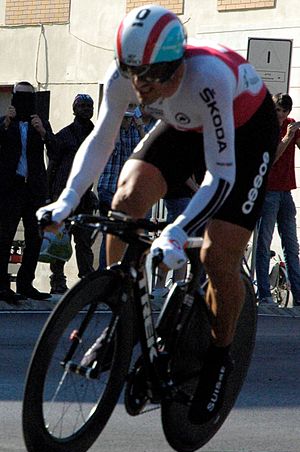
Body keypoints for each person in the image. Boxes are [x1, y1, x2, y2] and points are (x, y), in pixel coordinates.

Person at [37, 5, 279, 423]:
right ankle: (121, 308)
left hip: (245, 133)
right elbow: (101, 138)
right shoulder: (131, 76)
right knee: (126, 201)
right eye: (134, 73)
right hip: (185, 124)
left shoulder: (210, 77)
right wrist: (68, 198)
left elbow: (221, 175)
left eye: (152, 76)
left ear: (177, 64)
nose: (142, 87)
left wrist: (178, 229)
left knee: (216, 256)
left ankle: (220, 357)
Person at [0, 81, 54, 303]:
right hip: (10, 188)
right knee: (4, 237)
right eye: (19, 97)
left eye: (28, 97)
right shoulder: (5, 123)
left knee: (34, 238)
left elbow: (56, 149)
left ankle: (25, 283)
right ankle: (2, 285)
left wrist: (43, 132)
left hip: (34, 189)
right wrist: (6, 123)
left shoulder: (39, 123)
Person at [47, 94, 98, 293]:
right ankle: (57, 281)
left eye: (89, 106)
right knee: (61, 239)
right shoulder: (64, 135)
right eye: (82, 106)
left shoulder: (96, 134)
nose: (86, 109)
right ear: (74, 109)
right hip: (62, 195)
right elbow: (52, 165)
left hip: (85, 196)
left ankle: (86, 280)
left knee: (84, 241)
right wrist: (48, 195)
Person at [255, 93, 300, 306]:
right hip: (269, 191)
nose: (280, 115)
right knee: (263, 242)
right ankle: (264, 292)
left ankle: (298, 295)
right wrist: (286, 138)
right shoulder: (266, 127)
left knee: (291, 245)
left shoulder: (291, 126)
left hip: (286, 192)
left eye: (283, 111)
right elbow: (271, 159)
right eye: (277, 110)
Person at [97, 105, 144, 269]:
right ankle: (106, 271)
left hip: (126, 191)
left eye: (129, 117)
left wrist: (139, 125)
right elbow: (113, 148)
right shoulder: (110, 126)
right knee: (111, 232)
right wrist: (116, 123)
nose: (127, 121)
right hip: (108, 188)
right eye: (125, 117)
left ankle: (121, 272)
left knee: (128, 234)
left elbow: (144, 151)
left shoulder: (135, 130)